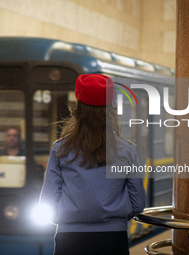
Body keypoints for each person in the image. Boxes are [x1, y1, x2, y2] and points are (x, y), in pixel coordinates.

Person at [40, 74, 146, 255]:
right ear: (110, 109)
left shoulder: (60, 149)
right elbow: (138, 203)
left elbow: (48, 200)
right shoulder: (127, 150)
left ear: (78, 109)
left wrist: (67, 219)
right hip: (113, 238)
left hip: (70, 239)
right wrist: (114, 219)